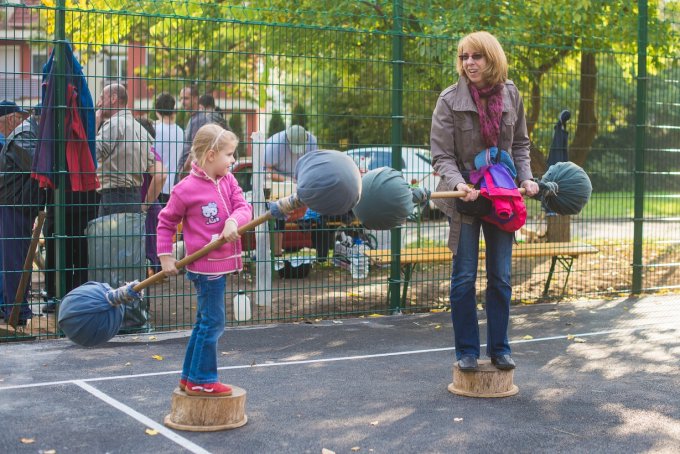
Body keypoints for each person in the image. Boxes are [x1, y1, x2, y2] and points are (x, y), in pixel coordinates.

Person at [430, 31, 539, 372]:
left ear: (492, 59)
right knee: (463, 277)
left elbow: (519, 144)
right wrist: (459, 183)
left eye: (476, 56)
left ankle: (500, 349)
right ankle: (466, 351)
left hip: (502, 195)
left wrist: (526, 177)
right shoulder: (449, 100)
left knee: (501, 277)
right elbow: (441, 155)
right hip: (464, 197)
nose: (469, 63)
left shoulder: (511, 95)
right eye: (464, 57)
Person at [157, 124, 252, 396]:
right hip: (205, 268)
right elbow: (165, 222)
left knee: (204, 322)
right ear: (211, 155)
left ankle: (190, 377)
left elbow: (244, 207)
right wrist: (166, 257)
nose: (233, 160)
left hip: (220, 265)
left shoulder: (228, 181)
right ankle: (203, 379)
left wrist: (233, 220)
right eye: (230, 154)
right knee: (213, 323)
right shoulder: (185, 189)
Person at [0, 106, 45, 324]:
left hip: (19, 204)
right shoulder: (25, 135)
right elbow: (40, 167)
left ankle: (17, 311)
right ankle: (16, 313)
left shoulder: (28, 133)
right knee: (15, 261)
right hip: (13, 205)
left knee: (16, 260)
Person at [95, 84, 163, 217]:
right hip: (135, 197)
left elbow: (92, 154)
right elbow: (154, 167)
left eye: (102, 98)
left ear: (114, 98)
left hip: (113, 196)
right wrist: (146, 204)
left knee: (108, 237)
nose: (99, 103)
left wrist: (96, 123)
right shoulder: (141, 130)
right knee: (129, 237)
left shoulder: (113, 125)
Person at [263, 125, 326, 258]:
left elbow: (313, 165)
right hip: (277, 185)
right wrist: (286, 180)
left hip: (300, 182)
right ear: (287, 139)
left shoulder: (312, 141)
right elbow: (264, 170)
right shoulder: (274, 144)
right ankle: (276, 254)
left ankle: (321, 254)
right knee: (277, 211)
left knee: (318, 210)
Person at [175, 87, 230, 184]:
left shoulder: (199, 120)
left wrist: (184, 170)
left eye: (186, 98)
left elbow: (195, 149)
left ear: (196, 98)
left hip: (190, 174)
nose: (183, 102)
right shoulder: (194, 118)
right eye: (181, 99)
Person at [154, 93, 184, 206]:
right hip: (171, 186)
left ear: (157, 110)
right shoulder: (180, 132)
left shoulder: (155, 130)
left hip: (155, 185)